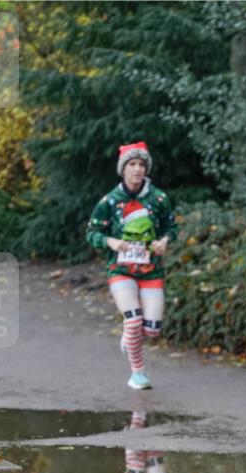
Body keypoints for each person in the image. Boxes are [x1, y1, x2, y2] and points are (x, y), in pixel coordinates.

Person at [86, 142, 178, 390]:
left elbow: (171, 227)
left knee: (152, 330)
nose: (137, 169)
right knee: (134, 320)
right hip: (121, 270)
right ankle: (138, 373)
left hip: (151, 271)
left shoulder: (158, 198)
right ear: (123, 169)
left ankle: (130, 339)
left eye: (141, 165)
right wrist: (110, 242)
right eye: (132, 164)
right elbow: (92, 232)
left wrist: (164, 241)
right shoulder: (109, 201)